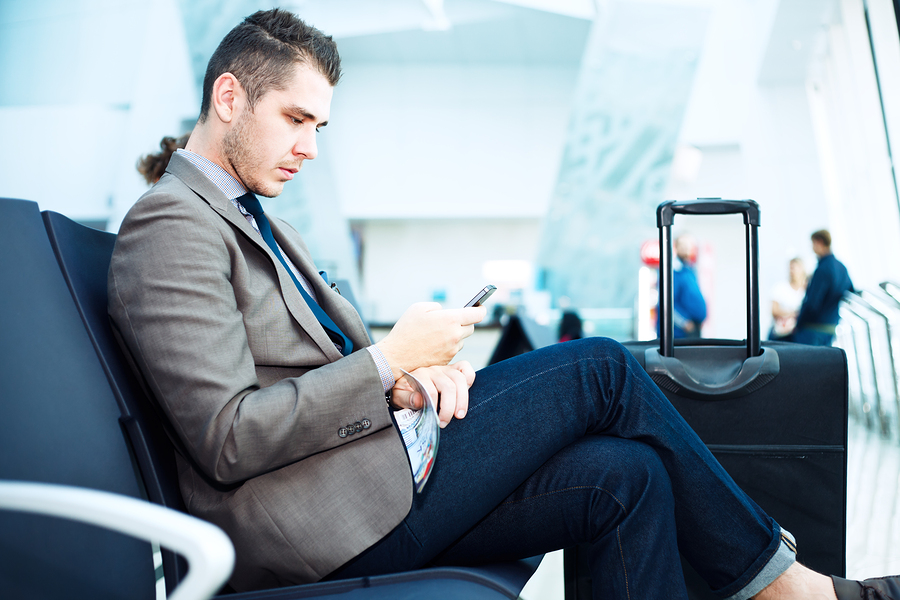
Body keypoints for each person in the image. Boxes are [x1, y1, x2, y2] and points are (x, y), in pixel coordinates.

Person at [106, 9, 899, 600]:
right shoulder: (170, 225)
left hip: (377, 460)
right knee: (601, 371)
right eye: (296, 119)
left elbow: (300, 376)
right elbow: (228, 437)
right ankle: (790, 589)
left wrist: (404, 385)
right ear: (229, 95)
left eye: (319, 124)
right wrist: (390, 357)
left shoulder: (252, 215)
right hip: (319, 523)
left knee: (628, 474)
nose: (311, 145)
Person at [790, 230, 854, 346]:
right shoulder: (841, 267)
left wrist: (799, 323)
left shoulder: (822, 269)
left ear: (819, 242)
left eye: (813, 244)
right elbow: (850, 291)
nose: (812, 248)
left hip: (814, 328)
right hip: (831, 326)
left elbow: (813, 303)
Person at [769, 257, 807, 341]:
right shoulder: (780, 287)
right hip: (780, 334)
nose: (792, 271)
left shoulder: (807, 291)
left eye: (795, 268)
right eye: (791, 268)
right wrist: (792, 313)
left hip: (798, 335)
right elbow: (774, 310)